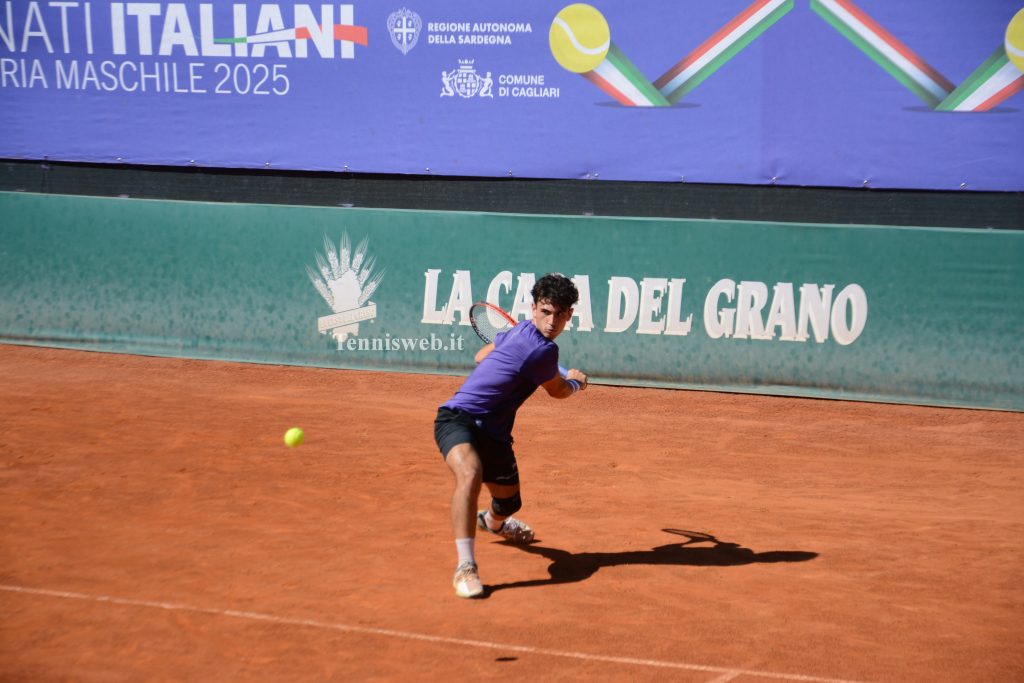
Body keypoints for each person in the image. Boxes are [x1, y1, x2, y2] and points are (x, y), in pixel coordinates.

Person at [433, 273, 589, 598]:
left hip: (495, 433)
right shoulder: (543, 353)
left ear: (569, 315)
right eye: (546, 311)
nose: (552, 320)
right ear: (534, 308)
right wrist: (575, 382)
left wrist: (515, 357)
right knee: (470, 474)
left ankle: (492, 522)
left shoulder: (519, 332)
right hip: (458, 418)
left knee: (509, 503)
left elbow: (480, 356)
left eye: (560, 314)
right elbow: (558, 392)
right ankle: (466, 567)